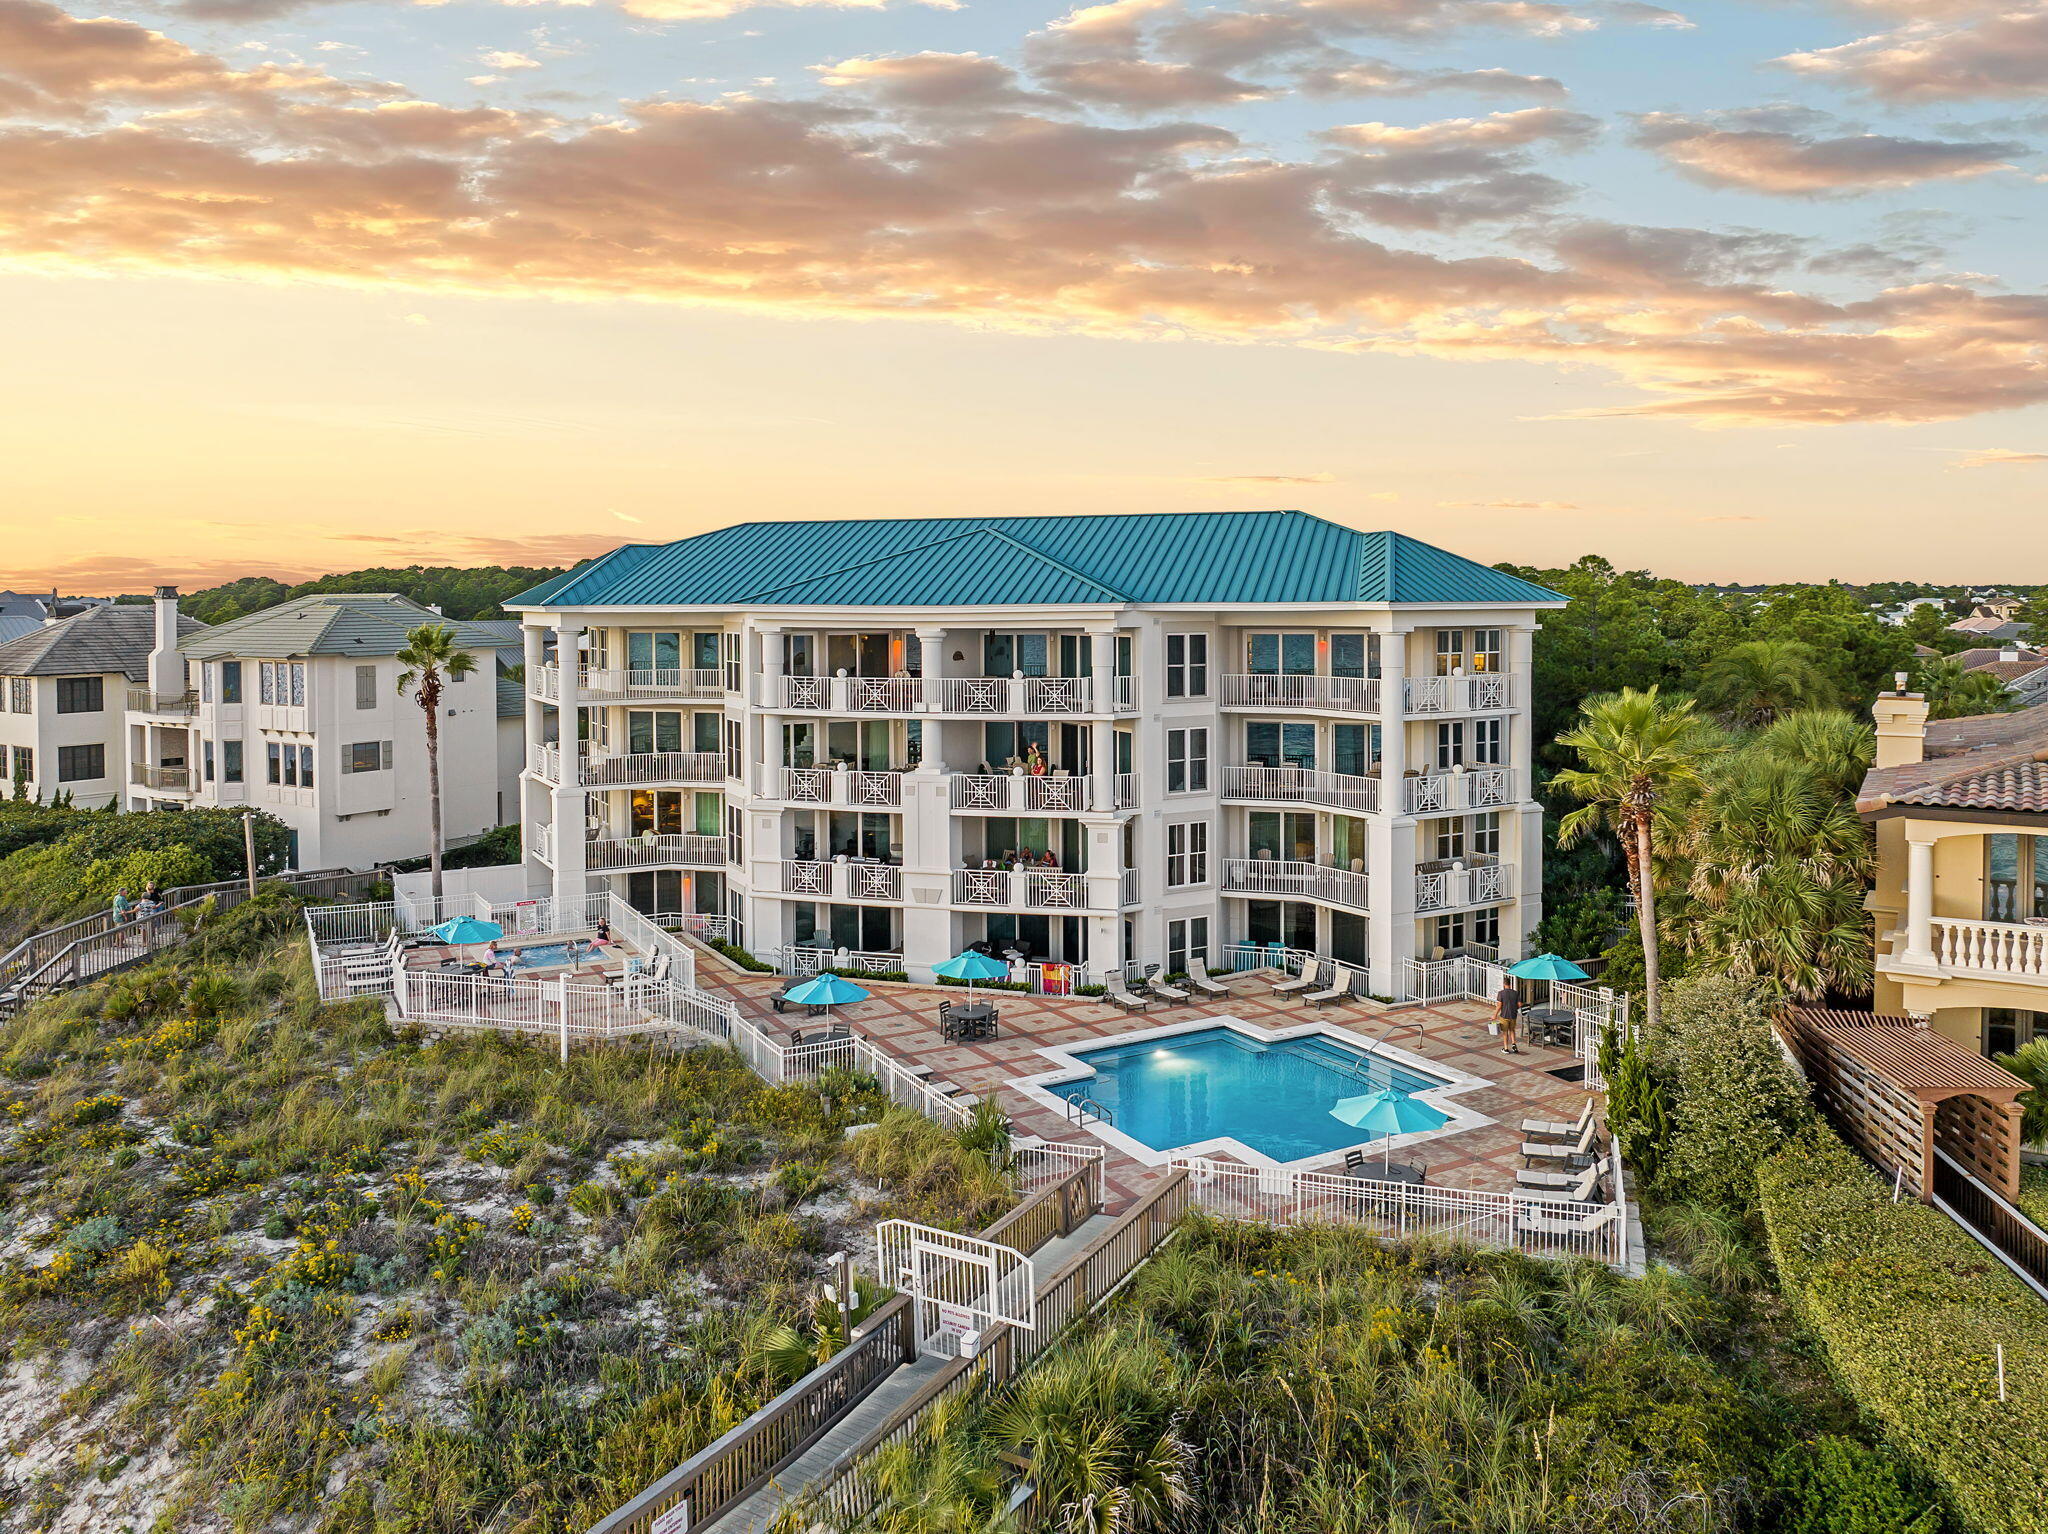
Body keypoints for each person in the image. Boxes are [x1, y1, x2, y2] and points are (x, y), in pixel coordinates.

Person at [1493, 978, 1523, 1055]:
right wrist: (1514, 1008)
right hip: (1513, 1015)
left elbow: (1499, 1005)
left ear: (1504, 984)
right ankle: (1514, 1044)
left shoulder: (1501, 993)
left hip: (1504, 1016)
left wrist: (1495, 1015)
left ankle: (1506, 1048)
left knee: (1505, 1032)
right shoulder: (1515, 993)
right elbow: (1519, 1004)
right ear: (1510, 984)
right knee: (1512, 1030)